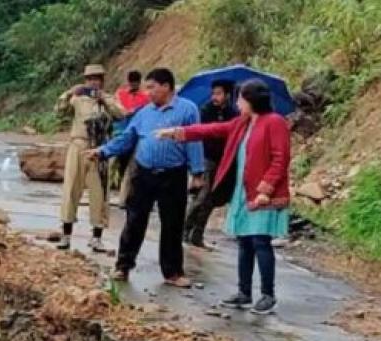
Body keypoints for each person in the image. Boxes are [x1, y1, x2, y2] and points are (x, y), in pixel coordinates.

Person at [155, 79, 292, 315]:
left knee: (260, 242)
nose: (237, 103)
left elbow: (281, 158)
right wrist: (178, 133)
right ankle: (244, 293)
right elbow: (213, 129)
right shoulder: (243, 123)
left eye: (240, 99)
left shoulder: (275, 122)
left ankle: (268, 295)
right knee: (245, 242)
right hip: (243, 190)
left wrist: (265, 189)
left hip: (261, 193)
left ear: (251, 100)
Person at [88, 68, 205, 287]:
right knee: (134, 220)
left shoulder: (187, 110)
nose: (148, 92)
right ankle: (123, 266)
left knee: (172, 224)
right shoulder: (144, 113)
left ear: (166, 86)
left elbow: (194, 140)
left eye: (152, 87)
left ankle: (173, 273)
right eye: (147, 88)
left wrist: (197, 172)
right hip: (143, 173)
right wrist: (103, 151)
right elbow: (127, 138)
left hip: (173, 174)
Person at [55, 64, 124, 253]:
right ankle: (66, 234)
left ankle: (96, 237)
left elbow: (121, 114)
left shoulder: (108, 99)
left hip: (100, 149)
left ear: (102, 81)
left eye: (97, 78)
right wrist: (69, 93)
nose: (94, 82)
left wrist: (104, 100)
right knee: (71, 189)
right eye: (90, 79)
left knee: (99, 193)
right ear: (85, 80)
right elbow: (59, 111)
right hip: (78, 145)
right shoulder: (77, 98)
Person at [184, 79, 238, 248]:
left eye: (219, 93)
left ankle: (197, 235)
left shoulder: (234, 113)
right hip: (207, 158)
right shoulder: (205, 110)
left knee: (212, 199)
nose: (215, 97)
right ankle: (185, 230)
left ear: (228, 95)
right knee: (202, 197)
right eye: (213, 93)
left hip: (225, 161)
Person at [112, 70, 150, 209]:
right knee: (121, 166)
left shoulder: (145, 98)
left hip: (137, 136)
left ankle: (129, 197)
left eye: (135, 83)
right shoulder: (120, 94)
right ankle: (124, 194)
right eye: (131, 82)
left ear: (139, 83)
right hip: (121, 134)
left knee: (134, 167)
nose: (133, 85)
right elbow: (114, 109)